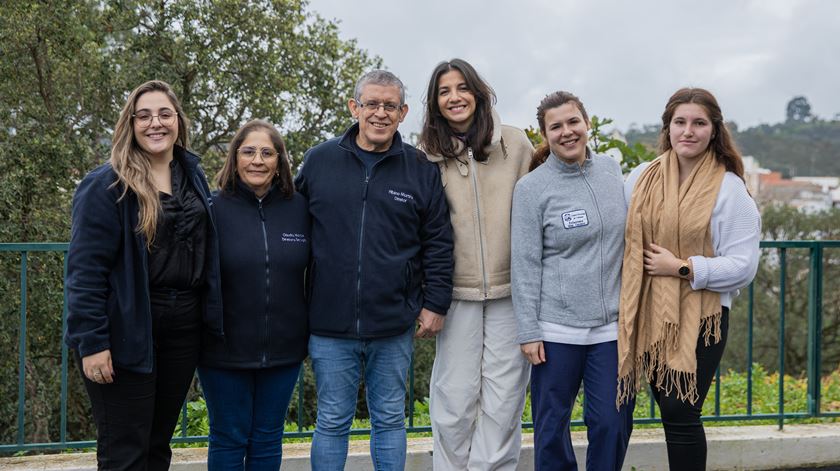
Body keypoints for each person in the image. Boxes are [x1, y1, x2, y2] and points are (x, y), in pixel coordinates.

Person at [294, 70, 453, 470]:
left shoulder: (420, 169)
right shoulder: (319, 161)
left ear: (402, 114)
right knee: (331, 420)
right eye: (372, 104)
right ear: (354, 107)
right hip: (329, 322)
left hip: (393, 322)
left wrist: (435, 303)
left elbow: (438, 241)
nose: (380, 114)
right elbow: (292, 228)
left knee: (388, 420)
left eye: (390, 106)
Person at [65, 80, 222, 470]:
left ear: (178, 122)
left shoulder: (193, 176)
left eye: (165, 114)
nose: (156, 123)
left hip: (183, 328)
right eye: (145, 115)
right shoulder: (106, 184)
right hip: (128, 328)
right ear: (131, 124)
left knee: (156, 446)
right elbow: (85, 271)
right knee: (125, 451)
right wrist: (91, 342)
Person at [617, 87, 761, 470]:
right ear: (668, 127)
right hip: (650, 313)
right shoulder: (640, 177)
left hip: (702, 317)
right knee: (670, 411)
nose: (688, 131)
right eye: (680, 122)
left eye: (699, 123)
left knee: (681, 412)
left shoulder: (730, 190)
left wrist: (683, 267)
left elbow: (744, 266)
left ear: (714, 130)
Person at [419, 58, 532, 471]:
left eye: (461, 88)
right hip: (455, 295)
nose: (454, 97)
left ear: (478, 92)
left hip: (510, 294)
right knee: (454, 399)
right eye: (444, 91)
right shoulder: (425, 156)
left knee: (504, 401)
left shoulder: (516, 144)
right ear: (435, 103)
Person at [511, 91, 634, 471]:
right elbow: (525, 262)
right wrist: (529, 330)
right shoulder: (531, 189)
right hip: (555, 331)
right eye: (556, 126)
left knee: (612, 422)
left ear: (587, 123)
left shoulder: (612, 171)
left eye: (573, 122)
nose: (567, 132)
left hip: (610, 331)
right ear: (545, 135)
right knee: (551, 428)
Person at [197, 120, 310, 470]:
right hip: (222, 351)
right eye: (248, 152)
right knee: (229, 437)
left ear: (280, 161)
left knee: (267, 437)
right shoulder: (211, 209)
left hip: (284, 351)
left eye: (266, 152)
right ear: (235, 158)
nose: (257, 160)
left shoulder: (300, 209)